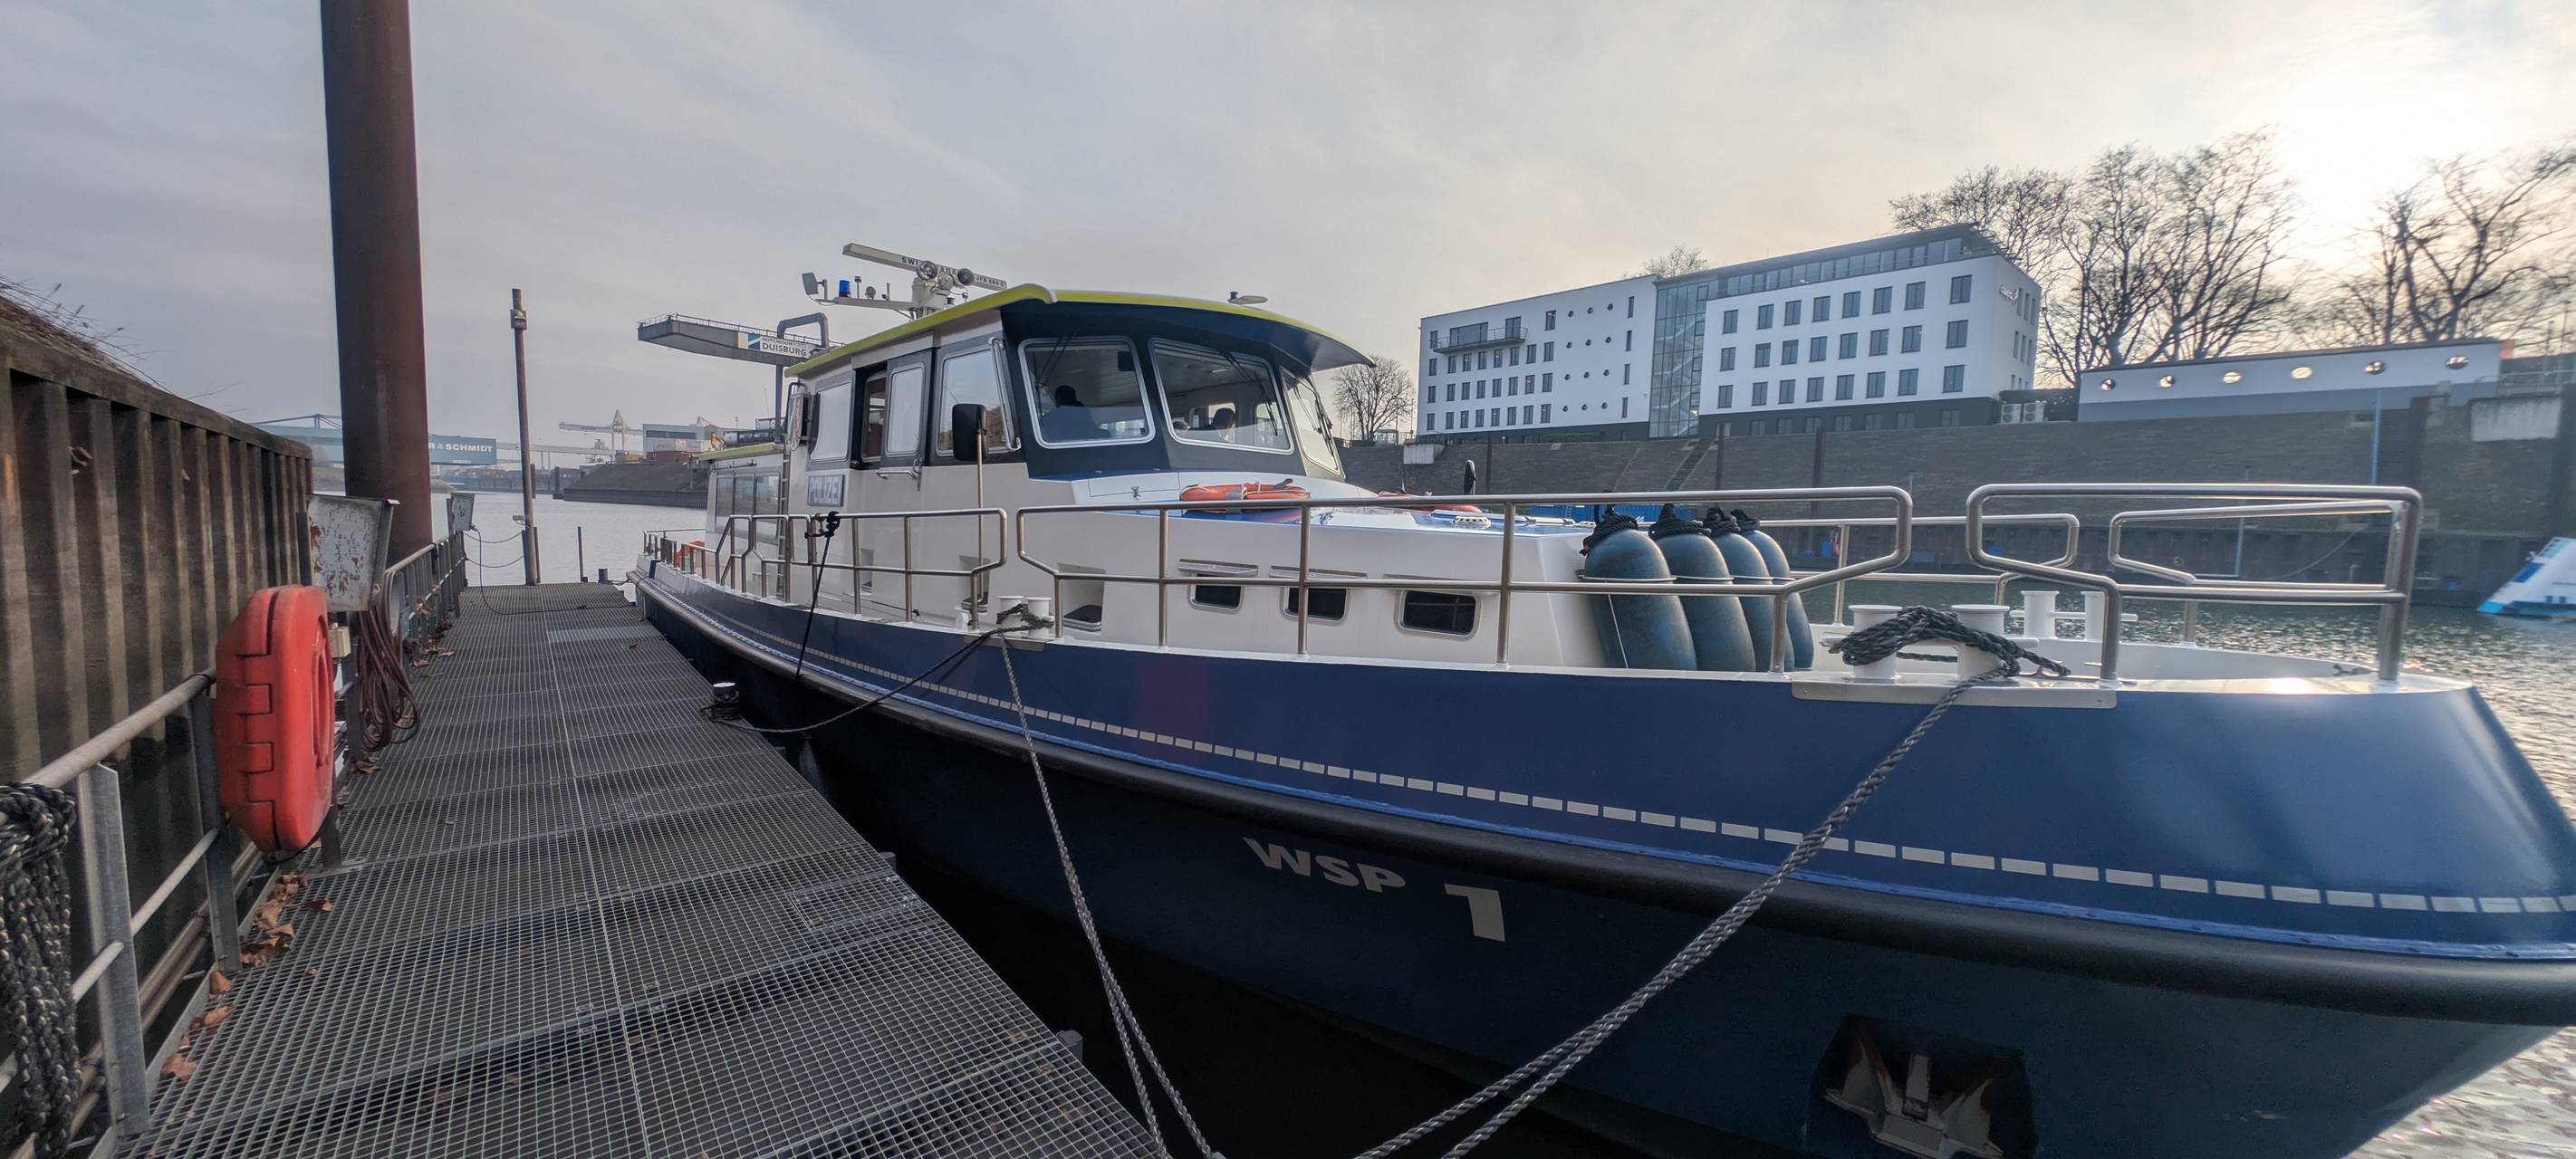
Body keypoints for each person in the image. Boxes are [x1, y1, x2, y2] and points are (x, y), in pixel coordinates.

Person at [1042, 385, 1106, 443]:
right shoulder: (1083, 411)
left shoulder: (1051, 416)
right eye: (1062, 396)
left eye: (1065, 396)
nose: (1064, 398)